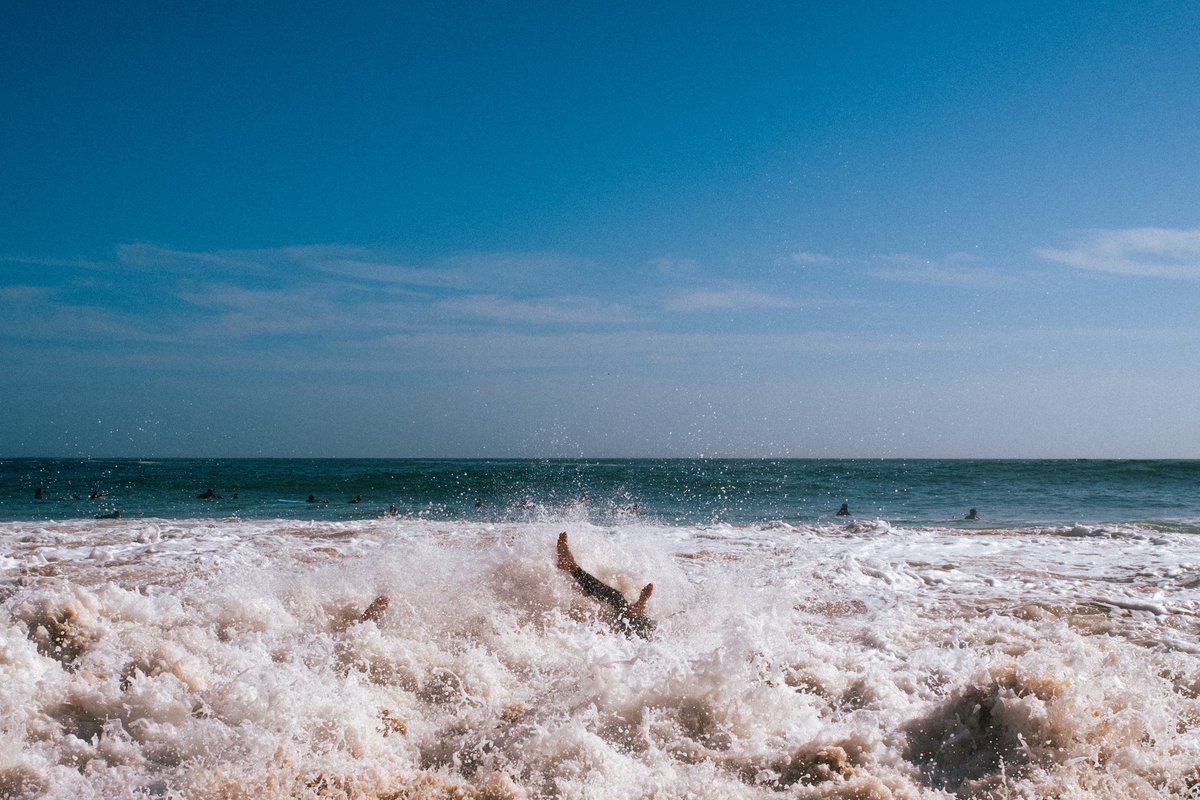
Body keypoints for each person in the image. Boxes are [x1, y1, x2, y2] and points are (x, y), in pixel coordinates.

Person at [555, 532, 654, 638]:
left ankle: (572, 567)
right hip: (644, 640)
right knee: (646, 626)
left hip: (636, 642)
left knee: (618, 601)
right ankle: (636, 612)